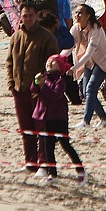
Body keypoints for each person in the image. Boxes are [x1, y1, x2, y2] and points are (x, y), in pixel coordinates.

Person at [7, 1, 58, 178]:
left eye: (30, 15)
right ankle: (30, 163)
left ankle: (44, 164)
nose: (27, 18)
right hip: (19, 90)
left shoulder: (46, 37)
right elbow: (10, 62)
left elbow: (53, 65)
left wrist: (43, 86)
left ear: (36, 16)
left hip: (39, 93)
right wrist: (11, 84)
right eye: (24, 15)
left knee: (41, 130)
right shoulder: (16, 36)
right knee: (26, 129)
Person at [32, 54, 85, 184]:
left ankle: (80, 170)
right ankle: (52, 174)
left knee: (65, 144)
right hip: (45, 117)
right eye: (48, 62)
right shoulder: (44, 77)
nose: (49, 64)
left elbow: (55, 95)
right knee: (47, 147)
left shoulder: (60, 81)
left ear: (59, 67)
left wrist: (43, 86)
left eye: (53, 62)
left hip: (58, 118)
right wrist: (36, 82)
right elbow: (33, 91)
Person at [71, 4, 106, 128]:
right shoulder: (76, 28)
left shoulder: (96, 29)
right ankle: (104, 119)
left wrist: (75, 67)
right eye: (76, 12)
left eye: (80, 13)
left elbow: (90, 52)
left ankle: (86, 121)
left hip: (103, 61)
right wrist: (59, 58)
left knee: (90, 89)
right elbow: (69, 46)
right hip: (89, 63)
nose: (77, 15)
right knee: (86, 91)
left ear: (88, 16)